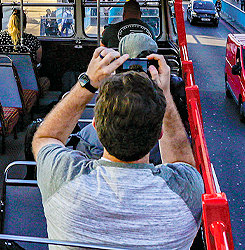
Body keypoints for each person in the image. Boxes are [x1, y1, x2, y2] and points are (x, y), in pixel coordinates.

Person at [32, 48, 204, 250]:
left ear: (95, 126)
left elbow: (45, 137)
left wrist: (88, 83)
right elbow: (182, 161)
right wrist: (164, 93)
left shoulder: (62, 178)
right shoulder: (185, 192)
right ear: (159, 134)